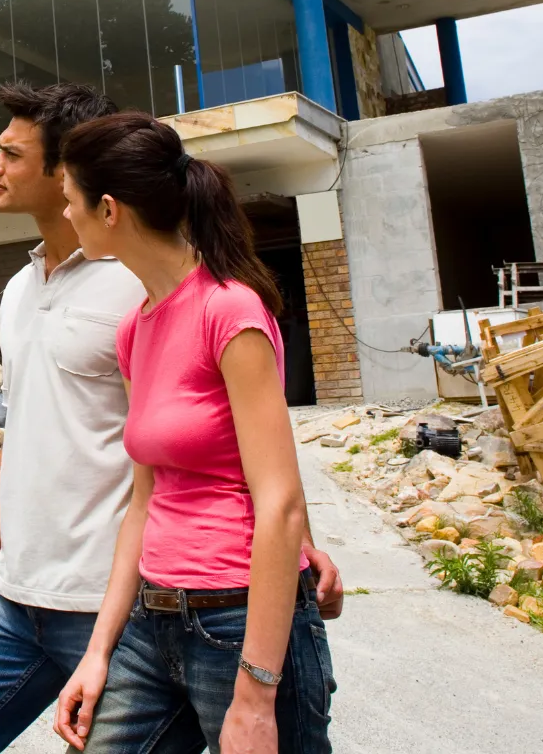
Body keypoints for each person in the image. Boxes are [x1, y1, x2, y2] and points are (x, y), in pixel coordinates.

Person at [0, 84, 340, 754]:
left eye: (13, 155)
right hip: (95, 603)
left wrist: (295, 557)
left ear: (91, 196)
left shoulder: (192, 299)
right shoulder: (84, 308)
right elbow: (112, 472)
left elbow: (263, 475)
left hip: (187, 601)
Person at [52, 113, 336, 754]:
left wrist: (256, 695)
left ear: (108, 209)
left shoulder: (229, 309)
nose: (66, 214)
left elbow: (279, 498)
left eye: (71, 200)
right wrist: (98, 652)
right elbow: (143, 501)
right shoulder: (135, 328)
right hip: (153, 621)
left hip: (239, 621)